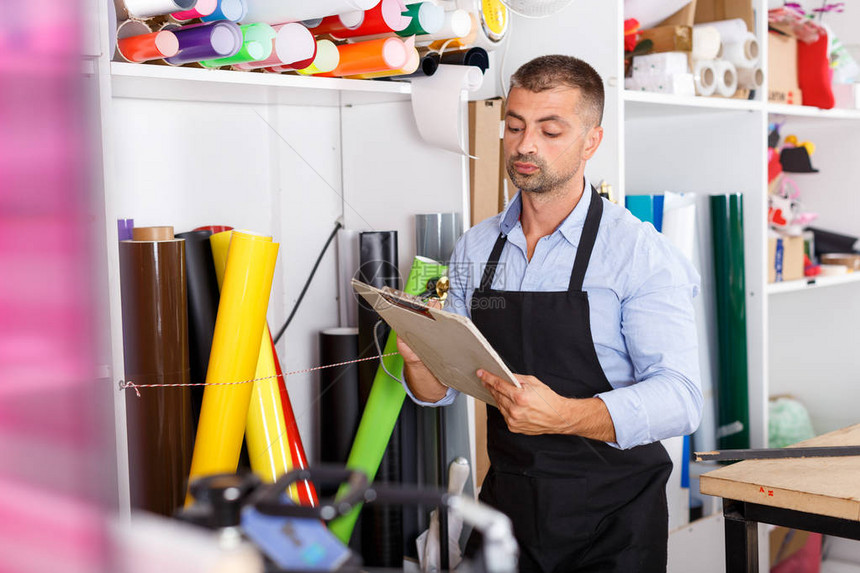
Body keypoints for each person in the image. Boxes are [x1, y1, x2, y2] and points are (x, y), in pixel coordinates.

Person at [397, 54, 703, 572]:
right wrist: (420, 361)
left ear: (591, 141)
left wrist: (565, 416)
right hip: (508, 509)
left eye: (550, 130)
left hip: (614, 523)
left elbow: (681, 398)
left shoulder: (638, 254)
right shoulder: (476, 248)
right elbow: (440, 391)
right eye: (514, 126)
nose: (525, 145)